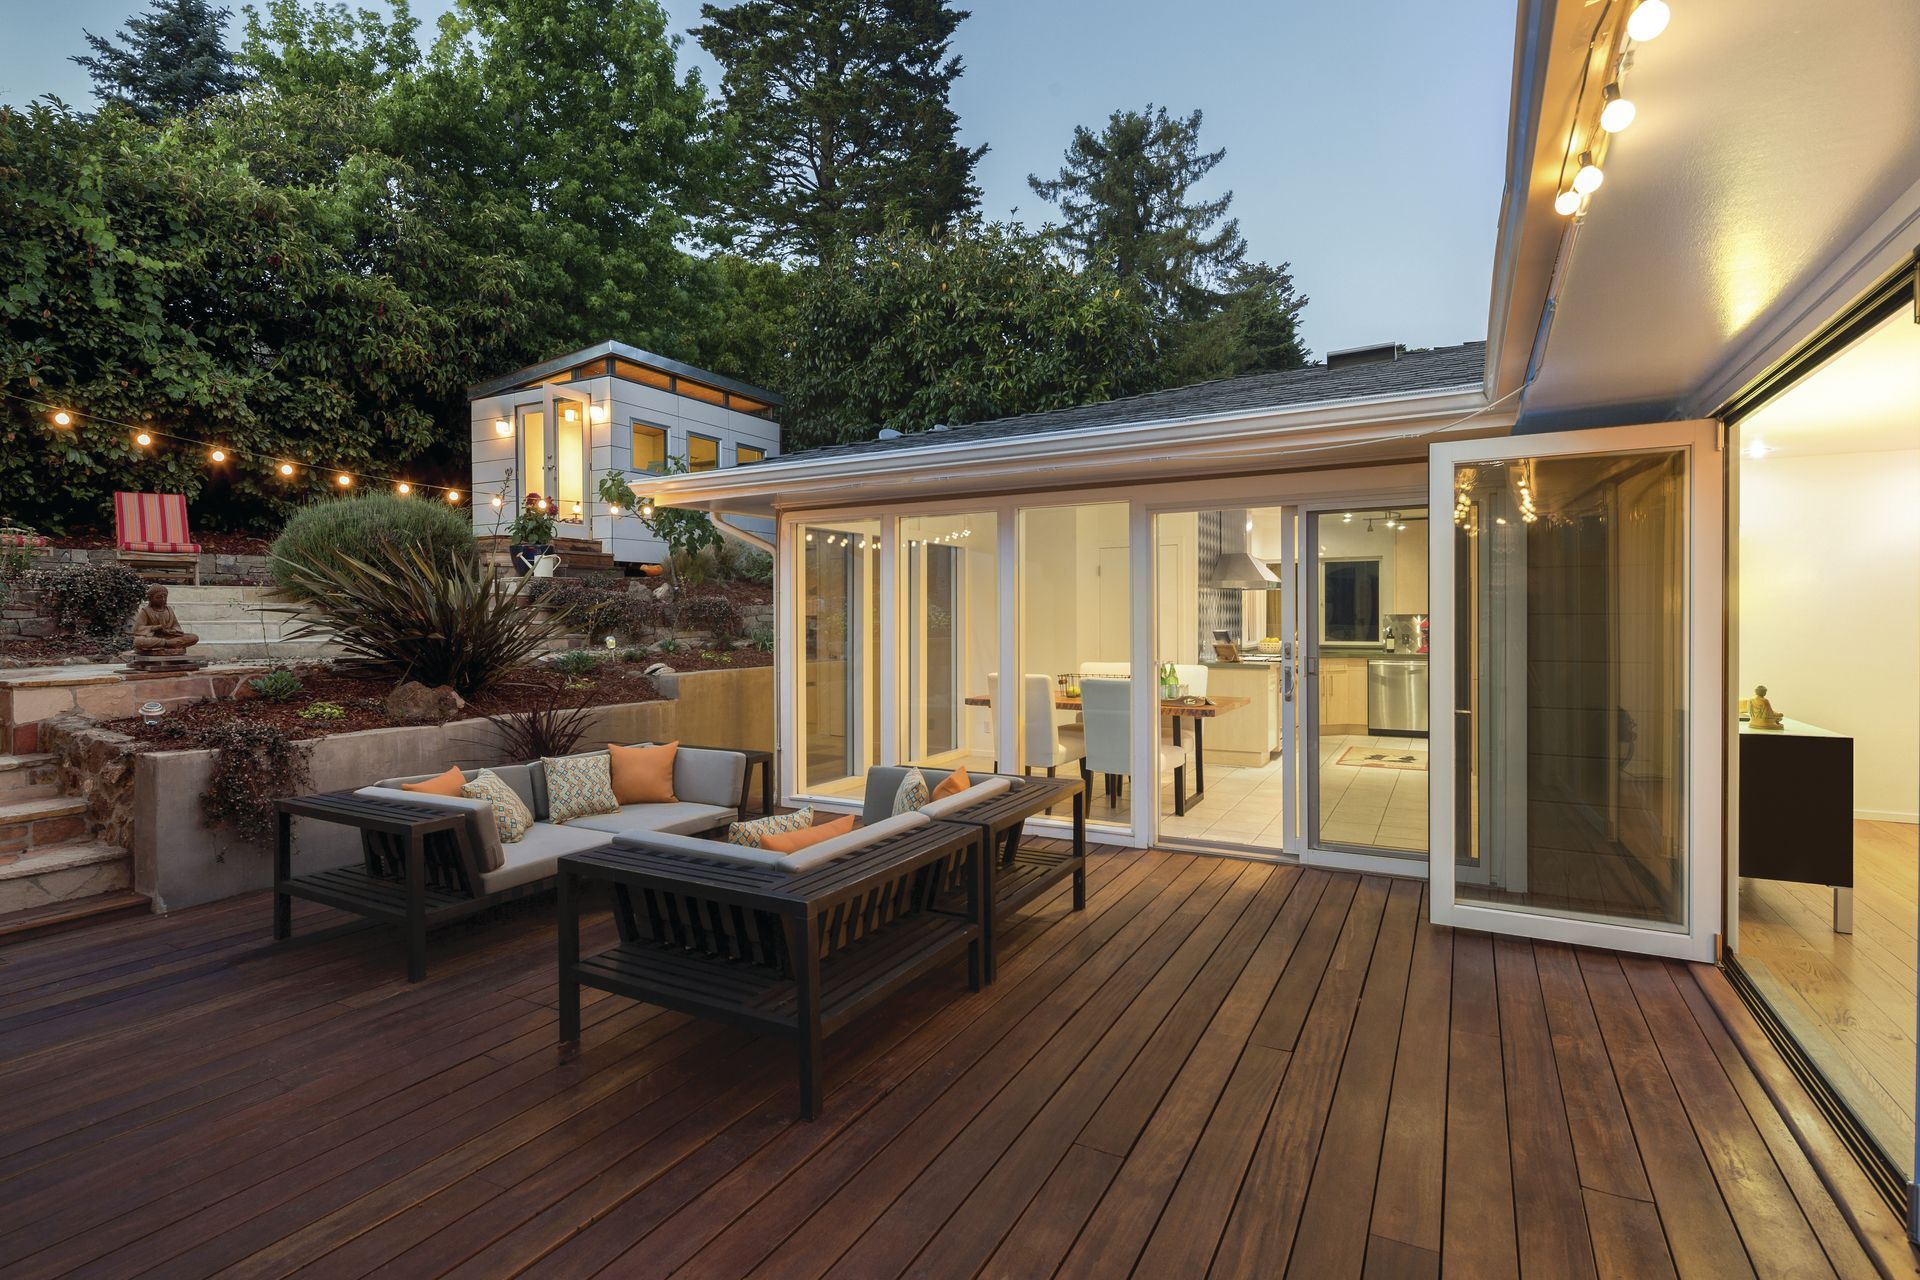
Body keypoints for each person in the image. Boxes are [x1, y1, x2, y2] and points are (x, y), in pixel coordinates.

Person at [130, 585, 199, 655]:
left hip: (169, 637)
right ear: (150, 598)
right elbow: (138, 629)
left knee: (194, 637)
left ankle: (166, 646)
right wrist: (156, 627)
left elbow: (176, 626)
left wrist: (172, 631)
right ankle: (168, 644)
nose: (163, 599)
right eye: (159, 597)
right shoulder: (146, 611)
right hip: (153, 638)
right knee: (138, 641)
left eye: (165, 597)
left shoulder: (169, 610)